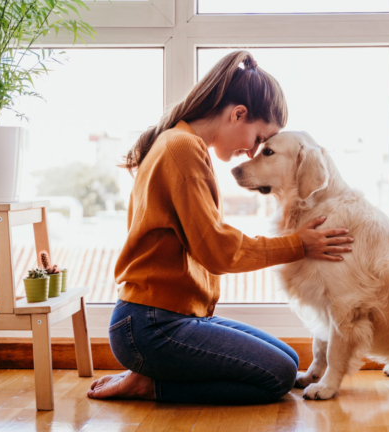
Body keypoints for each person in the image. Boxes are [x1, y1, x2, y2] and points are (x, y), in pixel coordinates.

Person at [87, 51, 354, 404]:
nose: (252, 152)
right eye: (259, 138)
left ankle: (152, 370)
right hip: (151, 326)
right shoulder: (182, 149)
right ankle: (151, 384)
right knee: (277, 376)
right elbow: (218, 251)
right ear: (238, 114)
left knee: (289, 360)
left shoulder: (180, 142)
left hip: (167, 319)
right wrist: (298, 244)